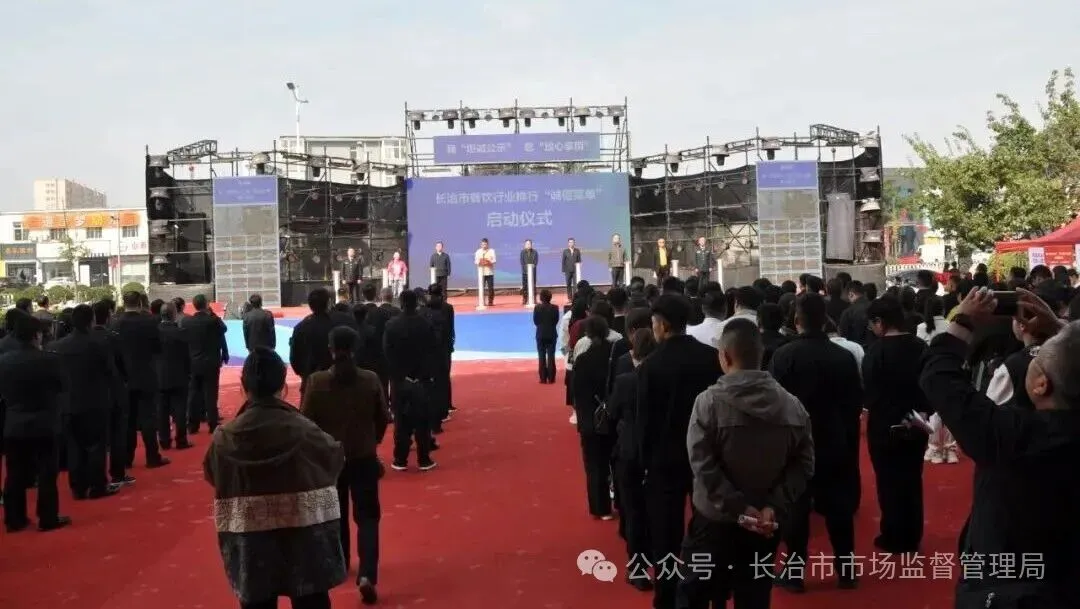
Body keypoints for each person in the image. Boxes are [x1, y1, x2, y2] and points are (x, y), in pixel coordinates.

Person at [920, 288, 1080, 608]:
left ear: (1041, 384)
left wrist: (962, 321)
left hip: (1007, 585)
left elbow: (939, 378)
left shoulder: (1013, 436)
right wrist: (1063, 333)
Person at [679, 318, 814, 609]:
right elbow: (804, 465)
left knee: (694, 594)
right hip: (764, 523)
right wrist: (773, 506)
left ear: (725, 356)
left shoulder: (708, 403)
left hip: (714, 521)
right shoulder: (793, 406)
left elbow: (701, 464)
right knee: (754, 595)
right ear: (761, 354)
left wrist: (738, 508)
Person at [204, 348, 346, 609]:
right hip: (304, 537)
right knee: (311, 601)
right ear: (284, 387)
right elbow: (334, 460)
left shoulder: (224, 438)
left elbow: (213, 474)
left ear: (243, 387)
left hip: (249, 542)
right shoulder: (305, 430)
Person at [769, 293, 862, 591]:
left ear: (797, 320)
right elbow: (854, 404)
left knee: (796, 508)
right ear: (825, 321)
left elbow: (774, 406)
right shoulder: (843, 357)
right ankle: (846, 570)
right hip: (835, 440)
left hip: (795, 444)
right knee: (839, 508)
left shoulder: (784, 356)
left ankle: (795, 573)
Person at [635, 294, 722, 609]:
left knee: (666, 535)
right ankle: (704, 593)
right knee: (708, 530)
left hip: (664, 462)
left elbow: (645, 422)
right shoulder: (711, 358)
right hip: (707, 459)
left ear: (662, 325)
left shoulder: (650, 366)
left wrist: (645, 464)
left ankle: (667, 597)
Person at [301, 326, 389, 605]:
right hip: (363, 456)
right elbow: (383, 417)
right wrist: (372, 441)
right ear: (355, 348)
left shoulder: (316, 382)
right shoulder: (370, 379)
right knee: (368, 518)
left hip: (331, 460)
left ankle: (340, 563)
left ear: (330, 349)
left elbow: (307, 423)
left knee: (335, 515)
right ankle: (367, 574)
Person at [863, 296, 931, 554]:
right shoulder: (920, 347)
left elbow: (869, 393)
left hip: (884, 426)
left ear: (879, 322)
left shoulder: (875, 352)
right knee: (912, 479)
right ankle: (912, 535)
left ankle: (893, 533)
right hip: (916, 422)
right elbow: (929, 385)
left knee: (888, 481)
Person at [0, 314, 71, 531]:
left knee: (14, 473)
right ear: (37, 335)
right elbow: (63, 386)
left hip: (14, 422)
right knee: (47, 473)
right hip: (45, 423)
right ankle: (47, 517)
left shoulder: (4, 361)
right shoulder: (51, 360)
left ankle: (14, 518)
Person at [51, 304, 122, 500]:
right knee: (96, 446)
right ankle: (97, 485)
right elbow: (111, 372)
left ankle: (78, 487)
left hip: (69, 403)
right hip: (95, 402)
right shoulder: (99, 344)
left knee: (75, 447)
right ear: (91, 320)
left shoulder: (57, 346)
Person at [608, 328, 656, 591]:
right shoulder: (665, 379)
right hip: (660, 453)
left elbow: (612, 411)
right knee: (662, 513)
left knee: (635, 511)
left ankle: (638, 569)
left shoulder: (625, 381)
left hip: (629, 452)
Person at [111, 290, 169, 469]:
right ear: (140, 303)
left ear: (124, 302)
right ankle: (152, 456)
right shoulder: (150, 321)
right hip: (146, 375)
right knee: (148, 418)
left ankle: (127, 459)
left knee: (128, 420)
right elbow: (158, 347)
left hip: (124, 378)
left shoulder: (115, 323)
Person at [383, 290, 438, 471]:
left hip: (400, 380)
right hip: (421, 379)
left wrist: (397, 374)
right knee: (423, 420)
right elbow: (433, 350)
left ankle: (400, 459)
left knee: (401, 420)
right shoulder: (426, 324)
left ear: (401, 303)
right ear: (416, 303)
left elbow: (387, 352)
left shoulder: (391, 325)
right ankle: (424, 459)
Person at [570, 315, 617, 520]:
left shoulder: (583, 360)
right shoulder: (616, 355)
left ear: (588, 334)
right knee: (617, 462)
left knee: (595, 465)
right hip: (614, 416)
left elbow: (577, 393)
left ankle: (600, 507)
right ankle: (621, 501)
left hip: (591, 419)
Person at [289, 288, 358, 396]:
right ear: (329, 302)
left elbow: (295, 358)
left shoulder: (301, 327)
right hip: (342, 380)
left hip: (312, 382)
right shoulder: (343, 320)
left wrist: (305, 374)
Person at [185, 295, 229, 434]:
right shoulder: (213, 320)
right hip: (211, 362)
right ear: (206, 305)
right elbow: (224, 328)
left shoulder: (188, 322)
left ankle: (193, 424)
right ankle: (212, 423)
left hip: (194, 362)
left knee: (194, 394)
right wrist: (212, 313)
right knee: (211, 394)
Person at [156, 302, 192, 450]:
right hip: (179, 376)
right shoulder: (182, 333)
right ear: (174, 314)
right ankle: (181, 440)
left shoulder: (154, 333)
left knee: (161, 410)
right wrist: (189, 373)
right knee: (180, 410)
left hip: (159, 377)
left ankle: (164, 440)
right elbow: (187, 357)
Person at [423, 284, 456, 431]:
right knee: (444, 376)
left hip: (432, 350)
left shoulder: (425, 310)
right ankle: (446, 405)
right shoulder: (448, 308)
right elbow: (450, 329)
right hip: (444, 348)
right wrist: (450, 345)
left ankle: (440, 407)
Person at [533, 289, 560, 383]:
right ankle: (551, 377)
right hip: (552, 334)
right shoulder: (555, 308)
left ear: (541, 298)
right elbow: (556, 320)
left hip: (540, 334)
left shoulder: (537, 308)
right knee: (551, 355)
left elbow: (535, 321)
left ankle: (543, 378)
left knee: (541, 355)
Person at [474, 238, 496, 307]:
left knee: (490, 288)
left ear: (487, 244)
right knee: (481, 288)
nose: (484, 246)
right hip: (481, 273)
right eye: (483, 244)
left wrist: (488, 262)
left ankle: (490, 301)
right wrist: (480, 262)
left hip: (489, 272)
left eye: (485, 244)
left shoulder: (491, 251)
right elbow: (475, 261)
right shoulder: (478, 251)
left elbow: (494, 260)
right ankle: (481, 301)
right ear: (481, 245)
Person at [519, 239, 539, 305]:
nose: (528, 245)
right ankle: (525, 299)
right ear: (525, 245)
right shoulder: (522, 252)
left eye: (529, 244)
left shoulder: (535, 252)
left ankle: (534, 299)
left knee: (533, 285)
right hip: (525, 272)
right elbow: (522, 262)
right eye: (527, 244)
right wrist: (526, 269)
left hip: (532, 272)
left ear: (531, 245)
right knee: (525, 286)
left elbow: (536, 262)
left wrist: (531, 268)